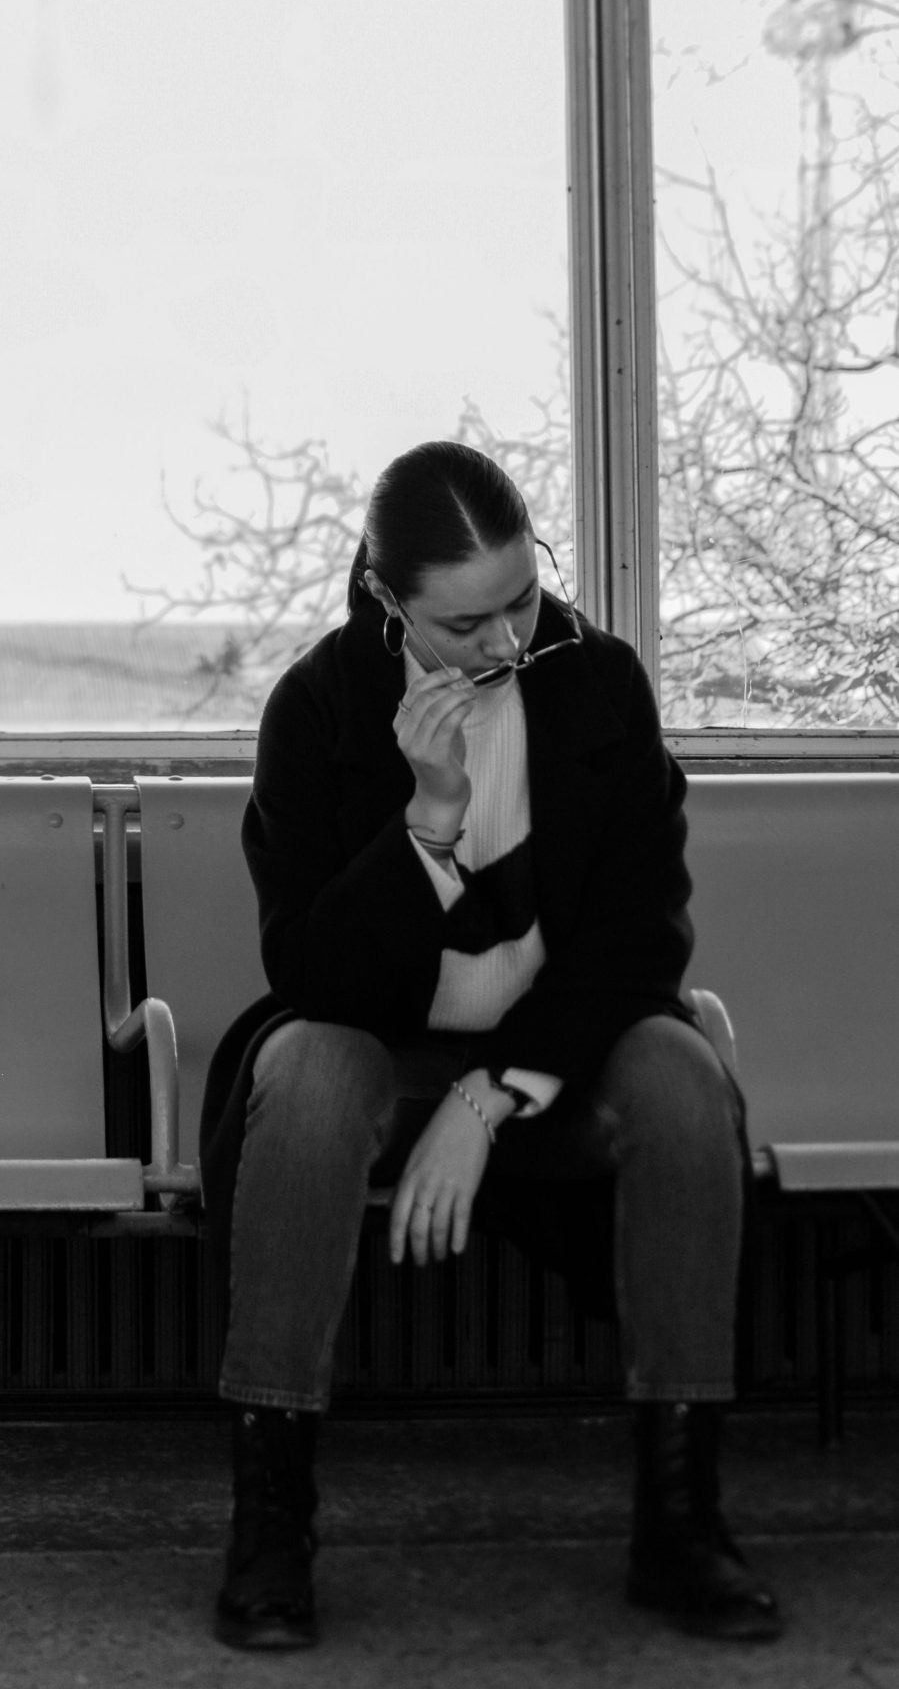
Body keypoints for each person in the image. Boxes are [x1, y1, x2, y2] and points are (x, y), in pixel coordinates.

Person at [198, 438, 781, 1653]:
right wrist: (427, 822)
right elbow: (312, 974)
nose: (508, 642)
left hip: (555, 1052)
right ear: (387, 596)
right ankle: (271, 1521)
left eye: (522, 598)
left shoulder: (599, 683)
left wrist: (489, 1097)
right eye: (466, 623)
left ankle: (683, 1521)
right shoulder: (319, 707)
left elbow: (641, 940)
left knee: (684, 1077)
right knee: (305, 1073)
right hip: (381, 1045)